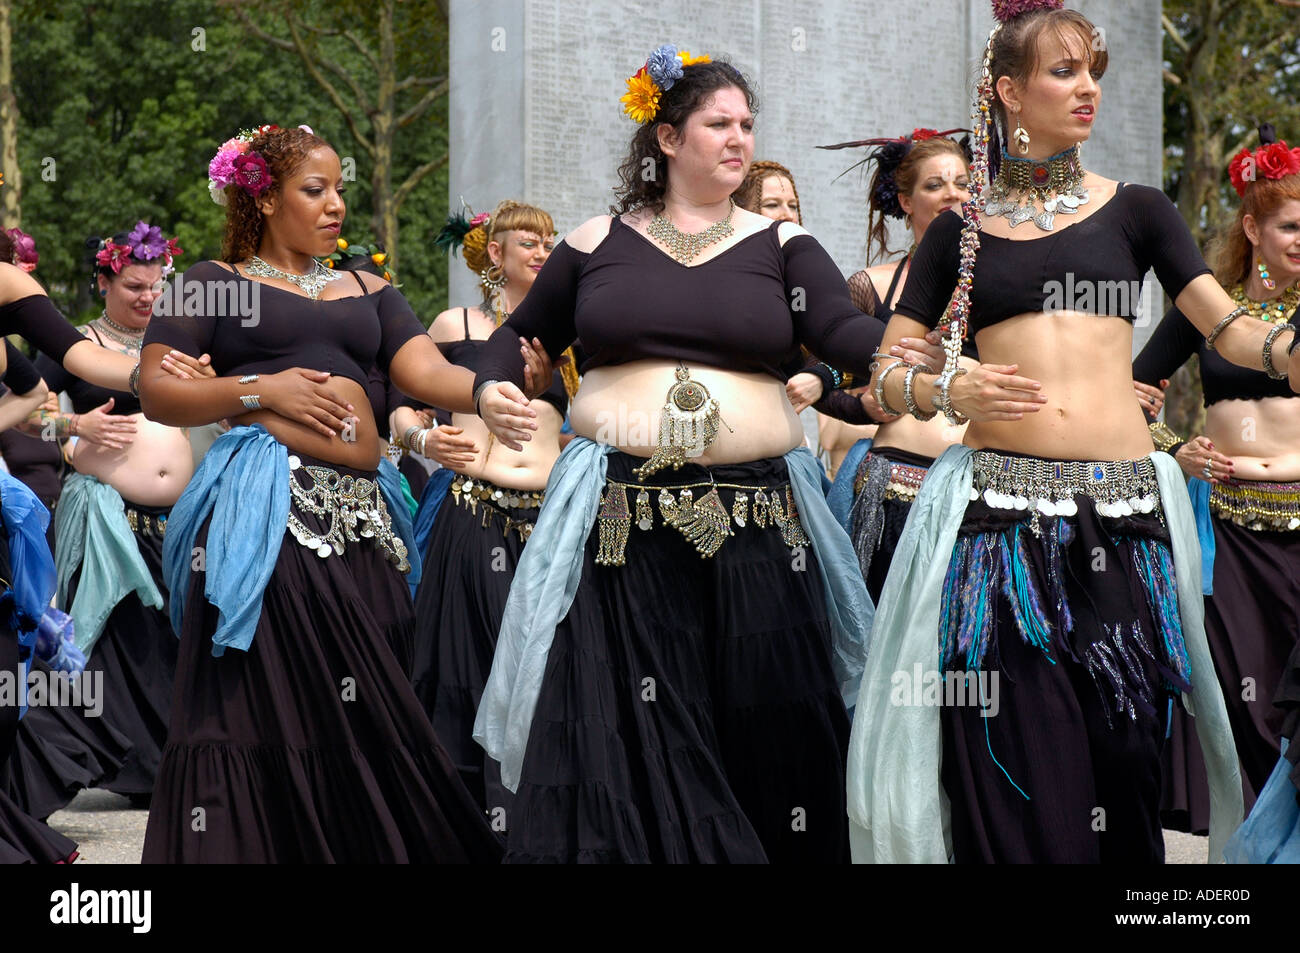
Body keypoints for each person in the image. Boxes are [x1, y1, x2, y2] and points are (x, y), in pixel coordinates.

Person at [846, 0, 1284, 864]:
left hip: (1123, 521)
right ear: (1007, 91)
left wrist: (1288, 349)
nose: (1087, 89)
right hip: (999, 522)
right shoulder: (960, 235)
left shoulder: (1138, 210)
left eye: (1093, 72)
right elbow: (884, 377)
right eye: (1063, 71)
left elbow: (1228, 328)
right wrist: (949, 381)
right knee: (1015, 742)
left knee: (1124, 743)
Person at [472, 47, 913, 863]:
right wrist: (491, 387)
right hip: (617, 524)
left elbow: (843, 333)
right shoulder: (597, 239)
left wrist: (901, 353)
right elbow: (519, 336)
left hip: (757, 522)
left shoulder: (782, 243)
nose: (739, 138)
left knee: (765, 721)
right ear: (668, 138)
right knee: (629, 728)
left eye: (748, 125)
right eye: (719, 124)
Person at [136, 122, 501, 862]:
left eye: (340, 188)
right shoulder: (214, 283)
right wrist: (257, 388)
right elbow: (157, 390)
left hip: (366, 524)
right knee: (262, 708)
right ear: (264, 198)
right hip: (264, 522)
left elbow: (425, 371)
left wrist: (489, 390)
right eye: (316, 189)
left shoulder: (368, 287)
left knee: (372, 703)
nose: (336, 204)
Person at [1133, 126, 1300, 835]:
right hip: (1227, 535)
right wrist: (1176, 451)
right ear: (1252, 225)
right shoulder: (1210, 311)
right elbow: (1131, 389)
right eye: (1290, 224)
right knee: (1244, 704)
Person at [395, 200, 568, 817]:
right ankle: (472, 818)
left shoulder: (571, 332)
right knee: (478, 659)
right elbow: (401, 405)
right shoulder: (455, 325)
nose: (542, 251)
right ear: (495, 253)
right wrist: (420, 440)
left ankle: (540, 815)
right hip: (475, 509)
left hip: (552, 518)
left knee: (544, 663)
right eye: (528, 241)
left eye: (549, 241)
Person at [22, 224, 192, 810]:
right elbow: (26, 417)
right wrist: (75, 425)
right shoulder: (74, 345)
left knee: (177, 642)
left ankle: (181, 763)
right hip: (110, 522)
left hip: (182, 523)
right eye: (134, 287)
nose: (148, 298)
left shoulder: (177, 342)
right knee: (125, 649)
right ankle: (133, 769)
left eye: (156, 288)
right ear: (104, 280)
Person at [817, 128, 976, 598]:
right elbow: (814, 374)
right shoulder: (873, 285)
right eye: (934, 184)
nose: (952, 193)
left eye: (963, 183)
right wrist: (862, 409)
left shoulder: (1005, 280)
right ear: (905, 201)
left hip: (982, 487)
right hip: (893, 486)